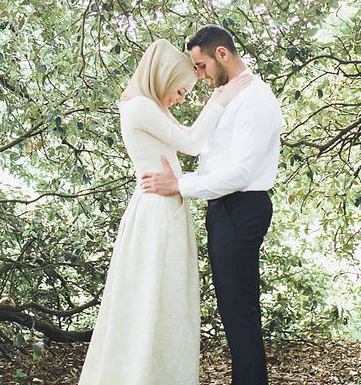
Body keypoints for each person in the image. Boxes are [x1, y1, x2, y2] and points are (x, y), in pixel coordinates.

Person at [79, 38, 253, 385]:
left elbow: (185, 141)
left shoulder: (151, 107)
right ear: (162, 77)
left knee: (167, 300)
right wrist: (220, 98)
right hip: (157, 214)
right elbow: (190, 143)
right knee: (153, 296)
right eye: (180, 91)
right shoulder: (139, 107)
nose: (180, 99)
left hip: (167, 210)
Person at [140, 24, 282, 385]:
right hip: (225, 209)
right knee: (233, 310)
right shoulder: (229, 96)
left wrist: (181, 185)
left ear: (222, 54)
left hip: (242, 206)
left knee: (240, 312)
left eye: (201, 66)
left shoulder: (254, 98)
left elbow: (241, 172)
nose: (199, 75)